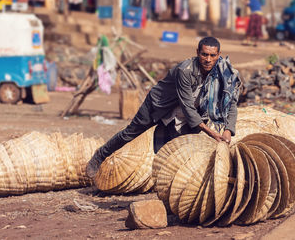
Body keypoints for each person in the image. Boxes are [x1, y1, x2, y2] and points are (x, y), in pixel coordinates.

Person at [86, 36, 242, 178]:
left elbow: (231, 103)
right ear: (197, 53)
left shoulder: (225, 73)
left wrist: (228, 130)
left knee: (180, 149)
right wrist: (212, 133)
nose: (208, 59)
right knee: (130, 133)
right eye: (204, 55)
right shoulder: (185, 70)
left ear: (219, 54)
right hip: (160, 104)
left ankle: (168, 183)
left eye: (212, 55)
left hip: (188, 112)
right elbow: (187, 107)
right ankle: (99, 156)